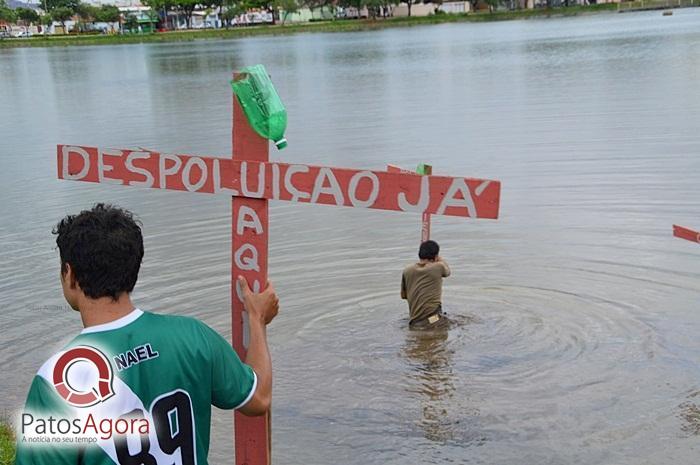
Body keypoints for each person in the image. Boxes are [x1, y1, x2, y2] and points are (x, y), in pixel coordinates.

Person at [15, 203, 279, 465]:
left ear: (69, 275)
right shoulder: (193, 336)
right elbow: (258, 399)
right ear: (133, 267)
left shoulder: (57, 381)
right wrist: (257, 320)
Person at [401, 240, 450, 329]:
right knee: (467, 321)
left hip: (414, 322)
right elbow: (448, 272)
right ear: (436, 257)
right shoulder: (438, 267)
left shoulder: (407, 270)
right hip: (433, 320)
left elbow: (404, 296)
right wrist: (440, 259)